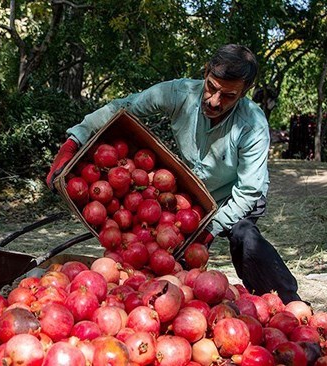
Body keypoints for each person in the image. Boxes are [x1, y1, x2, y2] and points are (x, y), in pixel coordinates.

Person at [46, 44, 301, 304]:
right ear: (205, 72)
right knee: (173, 267)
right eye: (211, 87)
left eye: (228, 96)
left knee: (244, 236)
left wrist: (208, 231)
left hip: (234, 196)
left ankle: (287, 303)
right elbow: (123, 108)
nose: (214, 100)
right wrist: (73, 141)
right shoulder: (181, 93)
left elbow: (249, 191)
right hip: (191, 197)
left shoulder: (252, 124)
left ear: (244, 92)